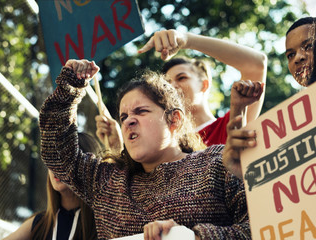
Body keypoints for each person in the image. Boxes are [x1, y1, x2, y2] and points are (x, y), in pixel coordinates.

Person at [39, 59, 263, 239]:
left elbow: (261, 228)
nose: (128, 121)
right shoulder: (107, 181)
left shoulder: (218, 163)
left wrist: (189, 237)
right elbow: (57, 153)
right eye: (124, 116)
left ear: (174, 119)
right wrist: (69, 88)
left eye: (141, 111)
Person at [96, 30, 267, 150]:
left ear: (204, 85)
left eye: (182, 78)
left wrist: (187, 40)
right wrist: (117, 148)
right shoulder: (165, 146)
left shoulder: (232, 123)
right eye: (167, 84)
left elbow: (256, 65)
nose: (173, 87)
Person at [223, 16, 316, 179]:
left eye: (308, 46)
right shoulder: (292, 125)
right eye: (290, 55)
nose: (298, 58)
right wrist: (242, 170)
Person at [3, 132, 100, 240]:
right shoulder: (39, 224)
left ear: (88, 166)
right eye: (53, 158)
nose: (56, 166)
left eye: (66, 158)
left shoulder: (103, 223)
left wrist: (116, 147)